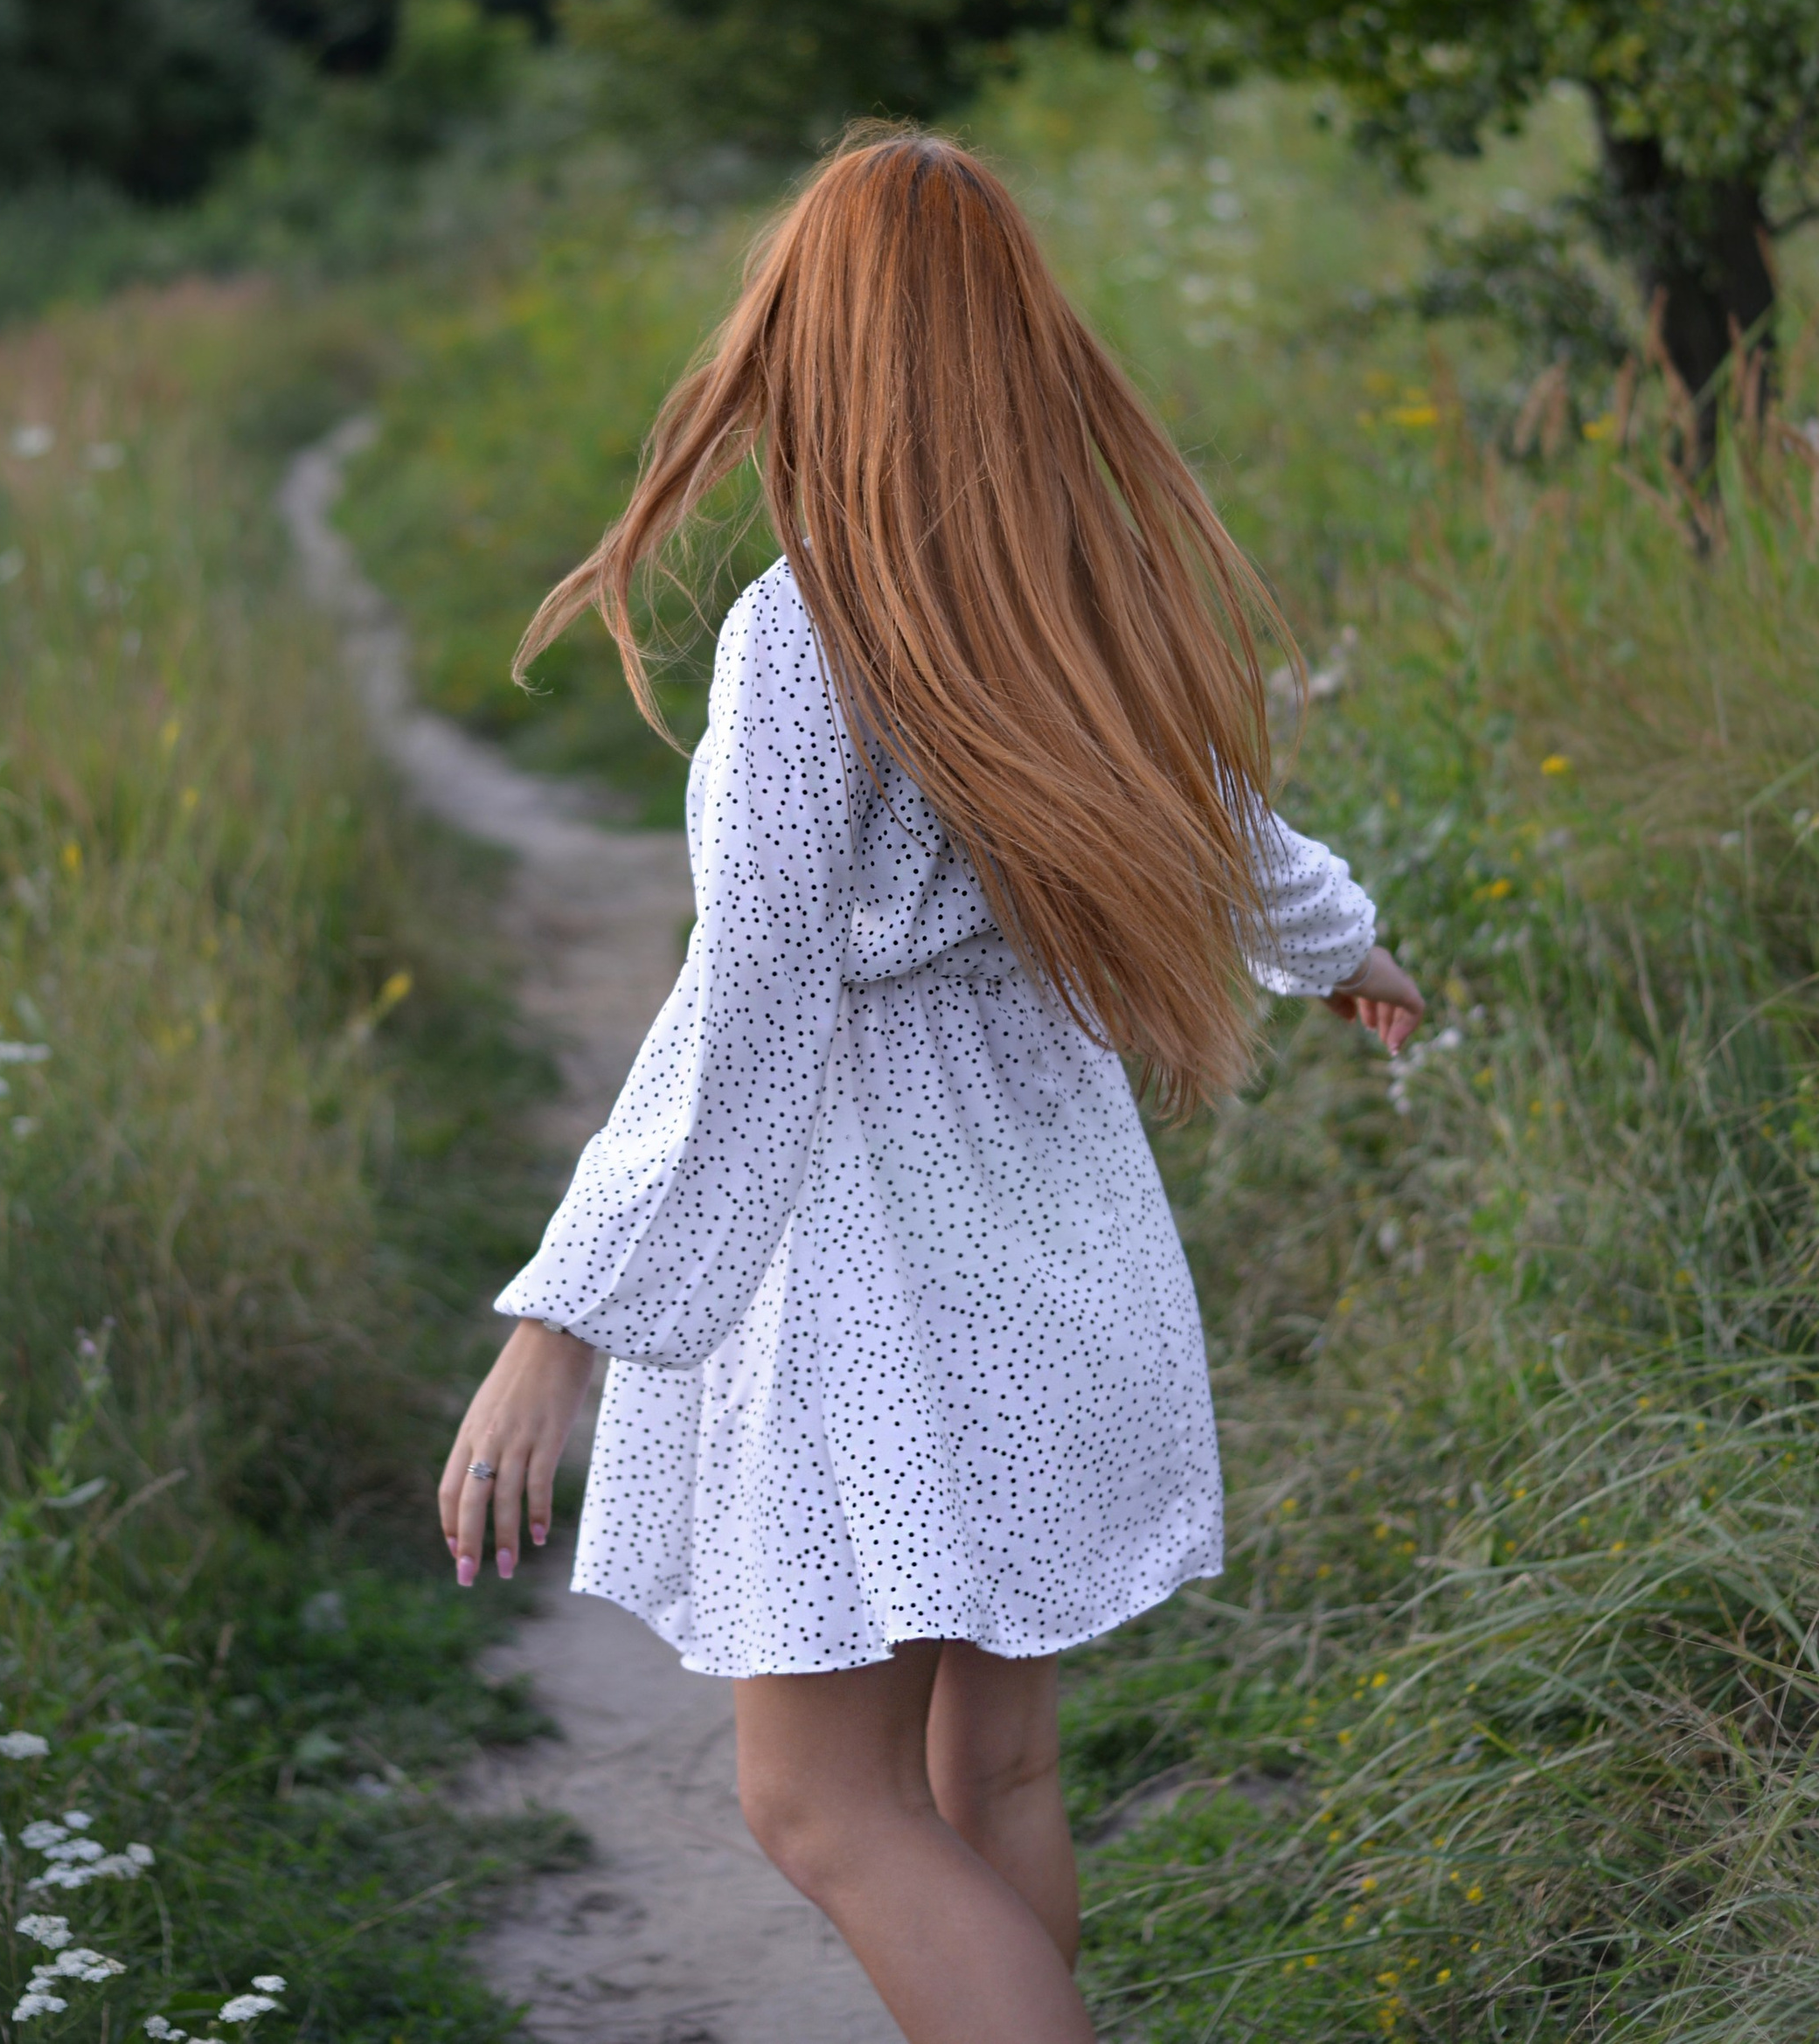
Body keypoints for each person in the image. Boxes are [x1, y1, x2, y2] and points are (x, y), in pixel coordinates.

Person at [441, 128, 1421, 2044]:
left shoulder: (806, 640)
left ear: (813, 350)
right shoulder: (1082, 591)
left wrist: (563, 1326)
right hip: (1061, 1253)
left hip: (886, 1291)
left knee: (822, 1801)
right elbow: (1233, 832)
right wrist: (1347, 952)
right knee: (994, 1776)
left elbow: (745, 1025)